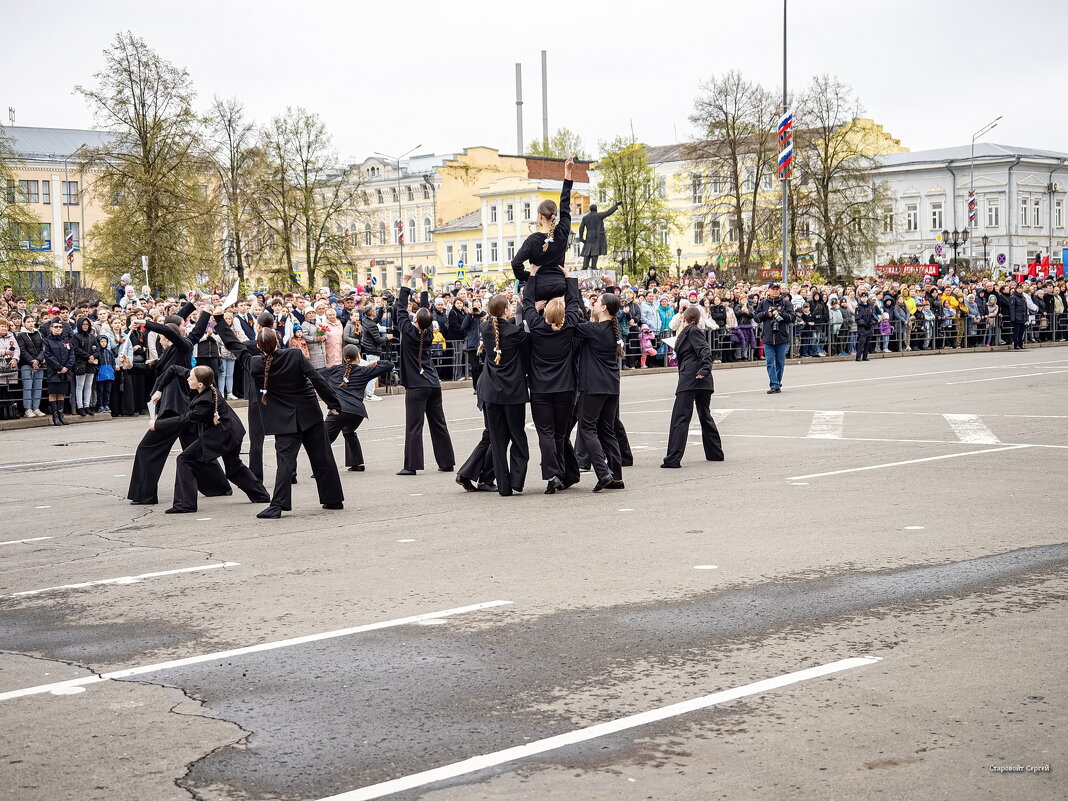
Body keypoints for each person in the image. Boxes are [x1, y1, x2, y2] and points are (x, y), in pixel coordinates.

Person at [215, 315, 345, 519]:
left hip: (284, 421)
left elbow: (234, 345)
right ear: (277, 340)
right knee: (323, 457)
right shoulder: (295, 355)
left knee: (285, 463)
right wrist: (333, 403)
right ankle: (333, 498)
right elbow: (317, 379)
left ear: (258, 346)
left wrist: (219, 321)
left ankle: (278, 505)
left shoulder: (255, 364)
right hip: (309, 413)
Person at [127, 306, 229, 505]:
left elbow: (170, 329)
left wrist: (145, 323)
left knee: (147, 449)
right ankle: (218, 487)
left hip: (174, 408)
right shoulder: (168, 354)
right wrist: (131, 367)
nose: (160, 341)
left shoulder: (183, 346)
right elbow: (155, 368)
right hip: (185, 408)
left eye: (162, 337)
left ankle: (145, 494)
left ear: (167, 338)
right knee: (194, 449)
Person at [151, 365, 269, 514]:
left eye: (191, 378)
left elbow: (185, 419)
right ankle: (261, 495)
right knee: (233, 467)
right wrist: (159, 390)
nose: (188, 378)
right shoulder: (205, 380)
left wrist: (157, 424)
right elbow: (175, 369)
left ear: (200, 384)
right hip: (233, 430)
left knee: (184, 459)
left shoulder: (205, 401)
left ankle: (185, 504)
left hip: (224, 434)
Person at [394, 273, 455, 475]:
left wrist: (405, 283)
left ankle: (411, 466)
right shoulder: (429, 332)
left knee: (414, 426)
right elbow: (425, 311)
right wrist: (424, 285)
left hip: (417, 386)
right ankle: (446, 462)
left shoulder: (408, 331)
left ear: (415, 321)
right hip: (433, 383)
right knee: (439, 423)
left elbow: (400, 309)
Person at [475, 292, 529, 496]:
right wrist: (523, 307)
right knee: (518, 437)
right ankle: (516, 480)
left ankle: (504, 487)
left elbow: (493, 321)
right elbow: (525, 339)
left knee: (497, 442)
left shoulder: (484, 328)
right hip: (512, 392)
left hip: (491, 391)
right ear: (506, 310)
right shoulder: (515, 332)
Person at [573, 291, 625, 492]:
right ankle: (616, 476)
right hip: (611, 386)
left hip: (594, 385)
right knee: (607, 430)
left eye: (597, 302)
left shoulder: (595, 329)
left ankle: (603, 473)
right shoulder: (613, 328)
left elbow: (573, 326)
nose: (593, 304)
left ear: (604, 308)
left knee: (587, 428)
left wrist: (572, 290)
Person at [662, 305, 724, 468]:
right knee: (704, 415)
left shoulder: (692, 331)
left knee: (680, 417)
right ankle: (715, 453)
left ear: (684, 318)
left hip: (692, 378)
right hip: (699, 379)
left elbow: (704, 350)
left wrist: (704, 369)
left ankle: (673, 458)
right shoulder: (690, 331)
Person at [320, 344, 394, 471]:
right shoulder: (363, 371)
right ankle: (357, 463)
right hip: (357, 413)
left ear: (344, 358)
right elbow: (389, 365)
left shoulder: (333, 370)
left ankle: (321, 470)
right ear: (358, 357)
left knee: (322, 440)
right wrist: (374, 362)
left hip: (339, 410)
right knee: (349, 432)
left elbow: (313, 373)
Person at [511, 155, 575, 302]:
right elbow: (565, 203)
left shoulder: (532, 240)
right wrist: (568, 171)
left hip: (539, 288)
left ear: (539, 216)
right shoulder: (563, 231)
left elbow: (516, 263)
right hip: (560, 286)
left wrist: (528, 276)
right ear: (555, 215)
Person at [755, 283, 794, 392]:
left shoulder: (786, 303)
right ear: (769, 290)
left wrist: (780, 313)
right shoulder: (763, 303)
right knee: (770, 363)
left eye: (777, 289)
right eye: (773, 289)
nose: (775, 291)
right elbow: (756, 317)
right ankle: (774, 384)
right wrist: (767, 314)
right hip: (767, 337)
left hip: (781, 337)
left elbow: (792, 317)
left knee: (780, 363)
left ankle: (777, 382)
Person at [42, 319, 74, 425]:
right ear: (51, 328)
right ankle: (55, 416)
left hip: (65, 371)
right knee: (53, 393)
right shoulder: (47, 341)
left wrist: (67, 368)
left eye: (60, 327)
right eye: (56, 327)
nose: (58, 329)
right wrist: (59, 367)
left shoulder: (66, 340)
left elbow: (71, 355)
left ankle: (61, 415)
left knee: (61, 393)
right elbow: (48, 356)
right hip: (54, 371)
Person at [577, 199, 621, 271]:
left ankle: (585, 266)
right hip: (597, 237)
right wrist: (616, 205)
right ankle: (594, 267)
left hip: (588, 237)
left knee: (587, 252)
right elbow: (608, 212)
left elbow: (581, 228)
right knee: (595, 252)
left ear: (590, 209)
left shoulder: (585, 217)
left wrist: (581, 238)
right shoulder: (599, 216)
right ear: (596, 209)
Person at [16, 315, 45, 418]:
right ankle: (27, 409)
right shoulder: (21, 335)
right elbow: (22, 350)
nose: (31, 323)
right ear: (24, 323)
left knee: (38, 387)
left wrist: (38, 360)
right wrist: (32, 361)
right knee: (28, 387)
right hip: (26, 364)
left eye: (32, 321)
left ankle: (36, 407)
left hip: (39, 364)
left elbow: (43, 348)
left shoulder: (39, 333)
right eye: (28, 321)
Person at [854, 293, 876, 361]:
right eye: (863, 297)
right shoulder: (858, 307)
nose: (864, 298)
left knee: (867, 343)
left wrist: (870, 323)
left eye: (865, 297)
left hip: (869, 327)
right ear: (860, 298)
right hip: (862, 328)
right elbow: (857, 318)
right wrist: (864, 324)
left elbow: (873, 316)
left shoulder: (870, 306)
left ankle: (865, 356)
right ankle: (858, 356)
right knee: (861, 343)